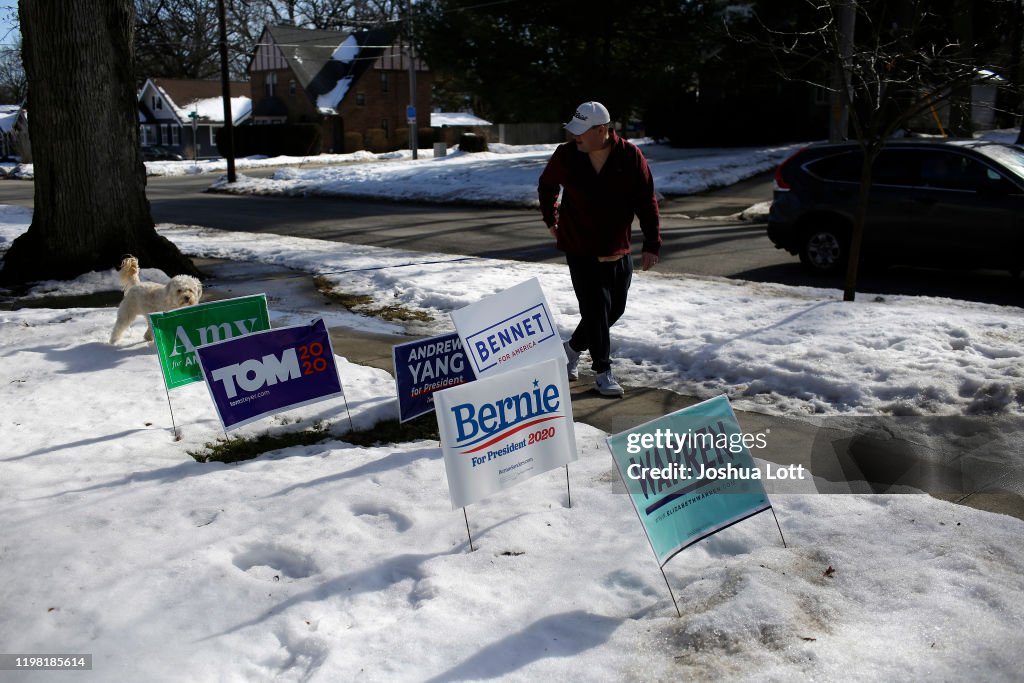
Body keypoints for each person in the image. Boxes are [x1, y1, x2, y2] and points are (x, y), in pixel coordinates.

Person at [538, 101, 661, 397]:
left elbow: (646, 200)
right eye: (574, 131)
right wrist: (551, 220)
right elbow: (547, 186)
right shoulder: (567, 156)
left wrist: (652, 241)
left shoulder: (629, 156)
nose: (575, 137)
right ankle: (603, 371)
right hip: (579, 246)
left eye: (581, 132)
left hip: (617, 246)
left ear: (602, 131)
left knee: (613, 309)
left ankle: (570, 349)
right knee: (595, 309)